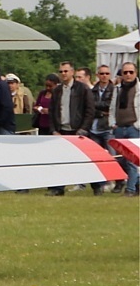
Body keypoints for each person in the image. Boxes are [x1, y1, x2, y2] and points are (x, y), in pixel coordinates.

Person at [47, 61, 91, 196]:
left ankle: (97, 185)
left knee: (86, 159)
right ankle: (58, 188)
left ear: (72, 72)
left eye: (66, 71)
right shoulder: (57, 90)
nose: (63, 74)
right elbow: (52, 111)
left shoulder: (82, 89)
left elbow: (90, 110)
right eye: (61, 71)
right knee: (59, 160)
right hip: (62, 131)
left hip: (77, 130)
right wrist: (54, 130)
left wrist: (83, 129)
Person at [85, 65, 117, 196]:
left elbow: (110, 105)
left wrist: (97, 108)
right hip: (94, 127)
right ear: (97, 75)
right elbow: (89, 106)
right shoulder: (92, 91)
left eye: (107, 73)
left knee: (112, 156)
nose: (104, 76)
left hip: (107, 127)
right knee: (96, 158)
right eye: (102, 73)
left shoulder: (114, 90)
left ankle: (115, 180)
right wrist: (101, 111)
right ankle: (99, 184)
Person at [112, 62, 138, 197]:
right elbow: (112, 107)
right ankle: (136, 184)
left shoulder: (139, 89)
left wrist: (137, 125)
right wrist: (112, 123)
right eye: (125, 72)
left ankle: (130, 189)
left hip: (134, 127)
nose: (128, 75)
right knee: (121, 160)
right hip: (119, 128)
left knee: (132, 160)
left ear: (136, 73)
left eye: (131, 72)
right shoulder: (117, 89)